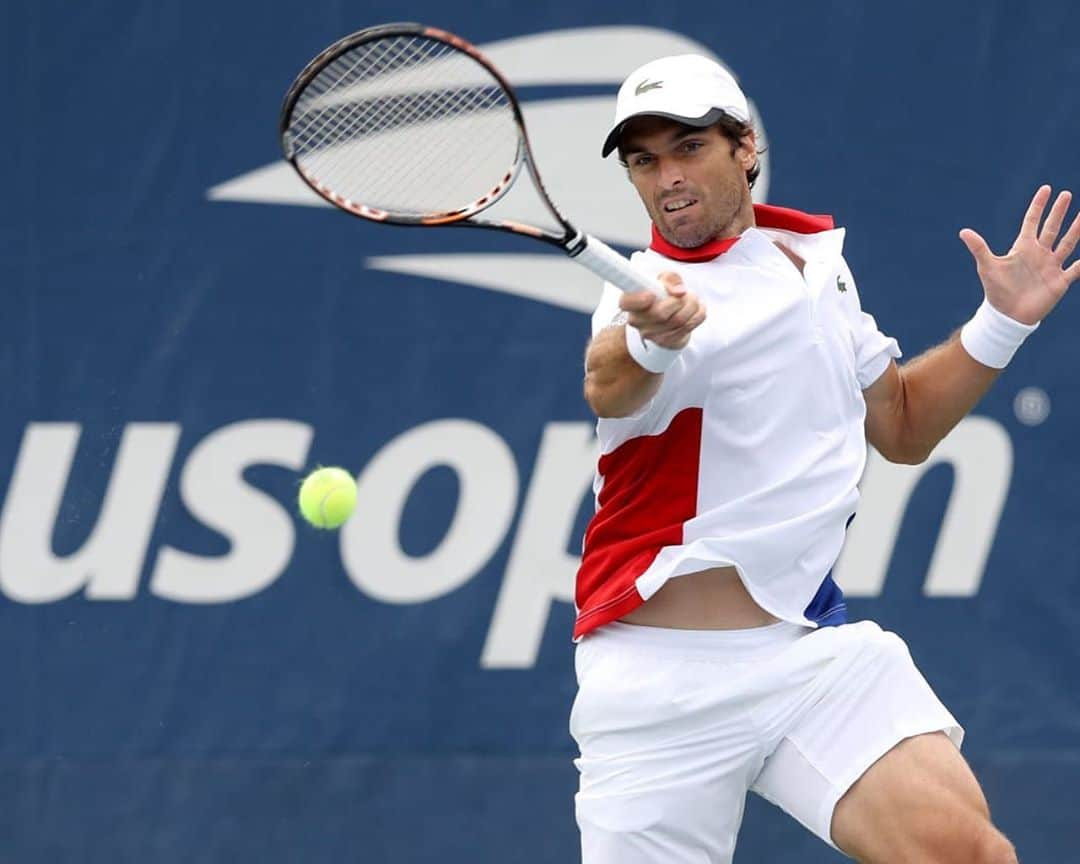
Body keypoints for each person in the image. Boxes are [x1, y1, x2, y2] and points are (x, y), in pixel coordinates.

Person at [573, 53, 1077, 864]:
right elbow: (609, 384)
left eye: (688, 148)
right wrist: (650, 338)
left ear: (745, 148)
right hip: (655, 687)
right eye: (644, 160)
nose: (666, 176)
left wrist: (1002, 321)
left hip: (804, 658)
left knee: (971, 854)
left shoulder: (812, 265)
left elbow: (902, 427)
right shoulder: (642, 289)